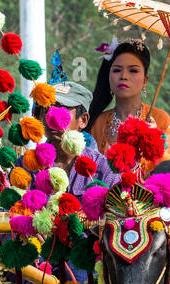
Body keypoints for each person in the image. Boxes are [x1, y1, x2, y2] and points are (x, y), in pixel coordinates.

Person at [86, 39, 170, 176]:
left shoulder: (160, 119)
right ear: (108, 77)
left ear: (145, 80)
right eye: (116, 70)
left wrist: (156, 143)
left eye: (133, 70)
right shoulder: (97, 123)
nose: (123, 76)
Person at [35, 54, 119, 198]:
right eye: (47, 109)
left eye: (63, 110)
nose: (52, 117)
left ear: (83, 120)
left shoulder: (103, 169)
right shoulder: (29, 165)